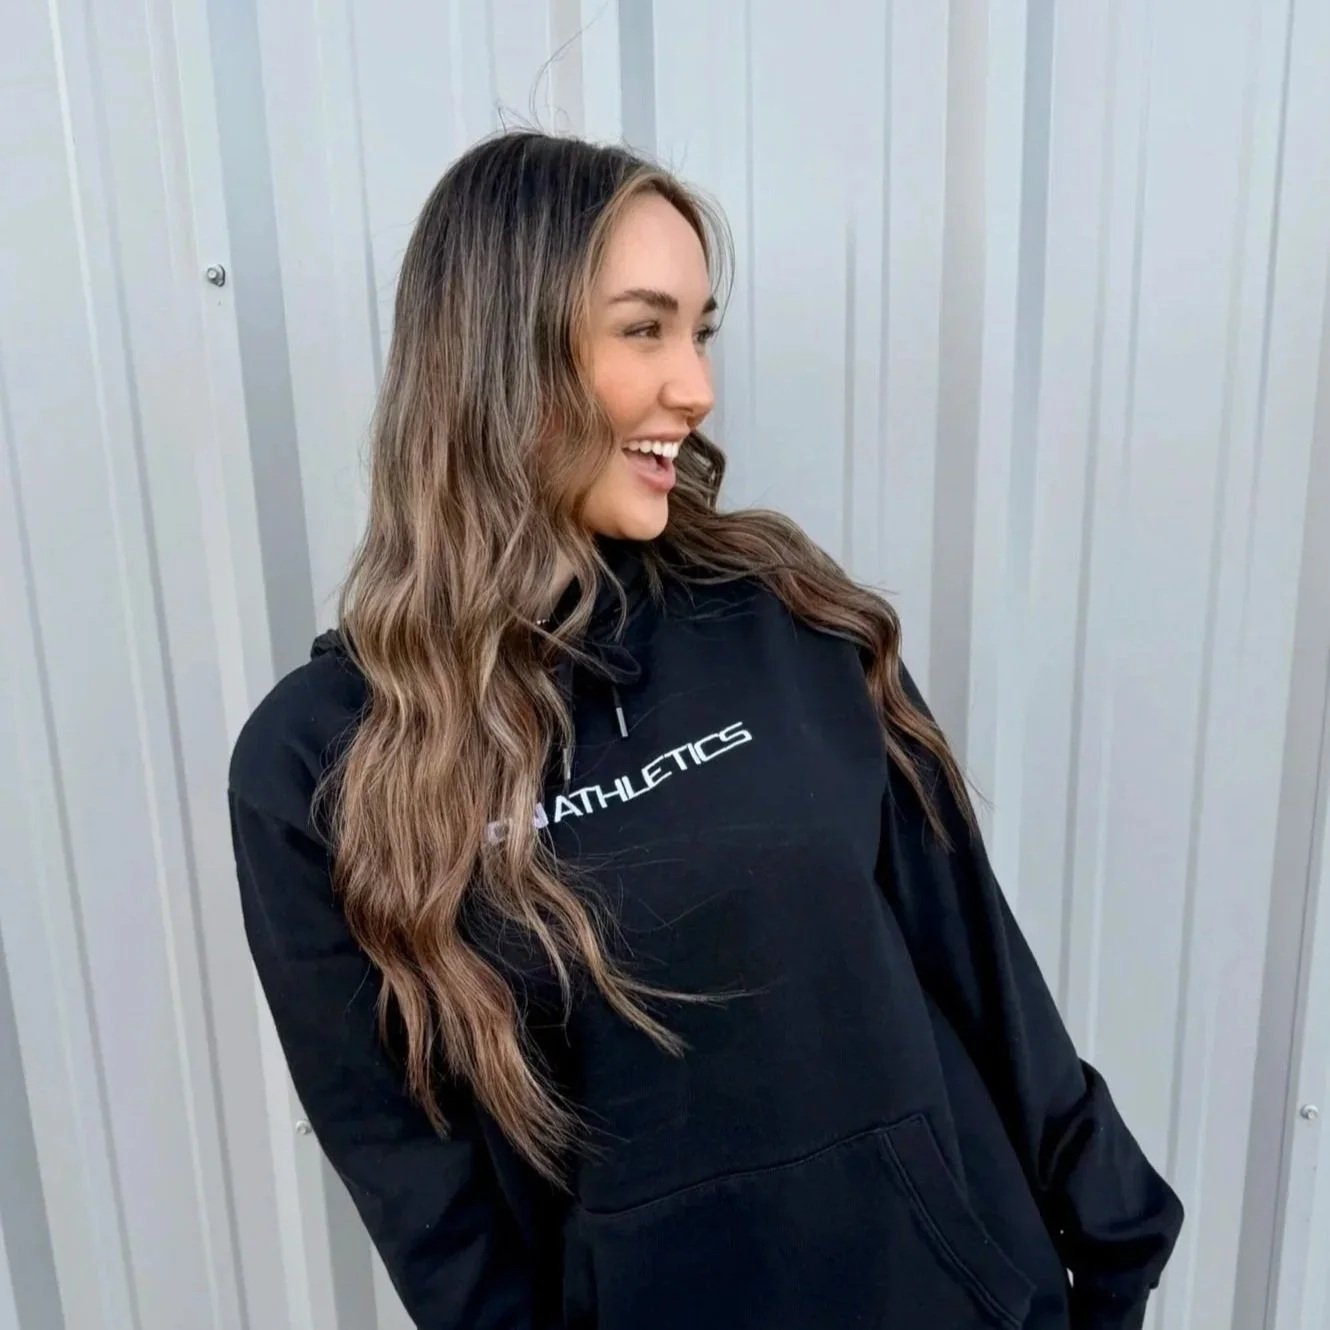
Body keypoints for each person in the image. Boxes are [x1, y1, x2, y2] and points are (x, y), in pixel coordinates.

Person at [226, 129, 1183, 1330]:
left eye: (699, 328)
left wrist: (1114, 1244)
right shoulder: (322, 761)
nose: (696, 385)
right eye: (644, 328)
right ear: (500, 352)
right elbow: (423, 1198)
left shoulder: (784, 619)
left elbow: (977, 961)